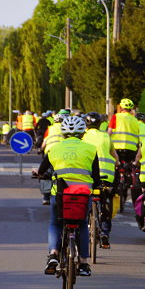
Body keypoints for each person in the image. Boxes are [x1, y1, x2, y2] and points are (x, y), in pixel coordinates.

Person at [33, 115, 101, 277]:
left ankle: (53, 255)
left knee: (55, 224)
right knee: (83, 224)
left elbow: (42, 170)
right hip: (82, 197)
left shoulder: (54, 149)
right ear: (82, 133)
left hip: (61, 196)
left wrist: (38, 174)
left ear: (63, 133)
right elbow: (96, 178)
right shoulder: (90, 149)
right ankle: (83, 264)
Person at [83, 111, 118, 248]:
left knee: (85, 202)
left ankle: (85, 226)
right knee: (105, 202)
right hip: (106, 177)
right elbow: (115, 158)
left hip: (88, 176)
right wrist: (118, 164)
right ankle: (104, 232)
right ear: (99, 124)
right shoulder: (106, 137)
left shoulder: (83, 137)